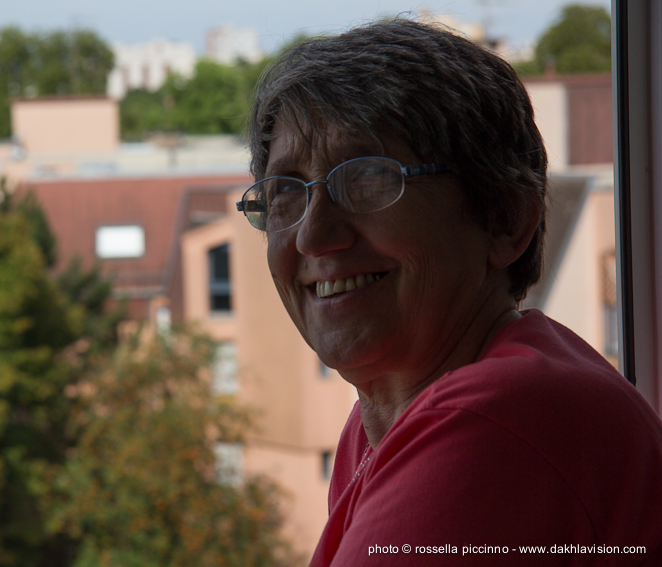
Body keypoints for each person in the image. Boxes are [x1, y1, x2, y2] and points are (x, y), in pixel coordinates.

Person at [236, 19, 662, 566]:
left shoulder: (495, 421)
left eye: (368, 179)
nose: (313, 235)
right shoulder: (376, 426)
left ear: (505, 219)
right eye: (286, 192)